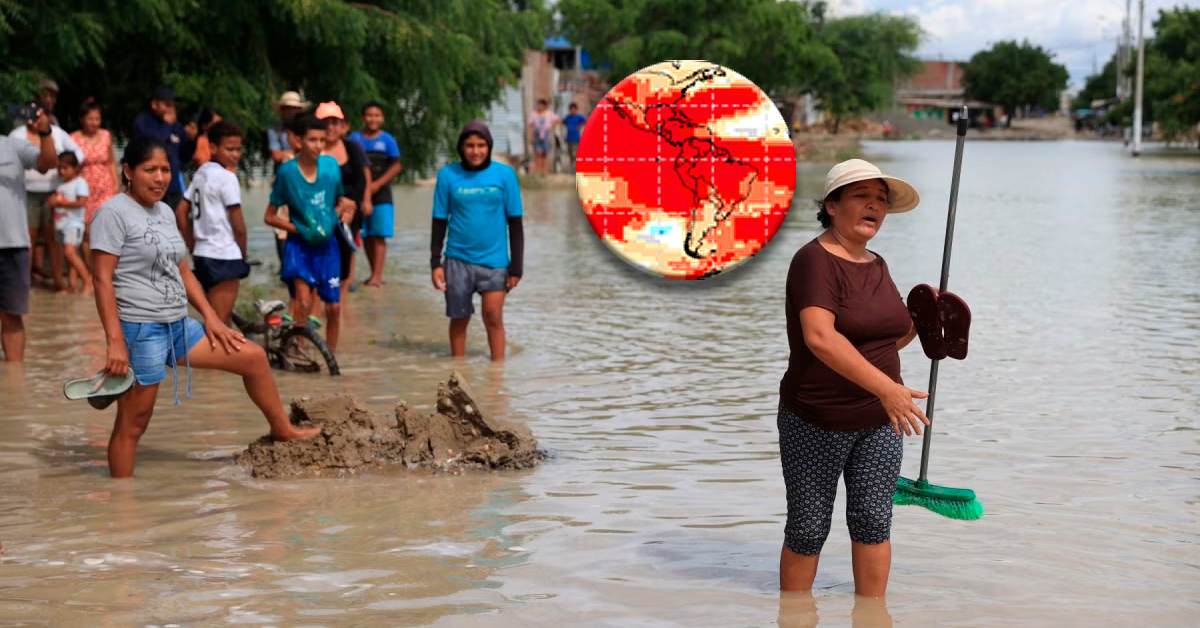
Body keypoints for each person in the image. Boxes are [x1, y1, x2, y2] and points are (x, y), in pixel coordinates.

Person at [89, 136, 321, 478]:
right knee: (133, 423)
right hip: (140, 330)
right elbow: (101, 280)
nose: (159, 178)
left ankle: (282, 429)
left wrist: (212, 319)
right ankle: (122, 505)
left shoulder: (165, 211)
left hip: (178, 325)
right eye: (149, 170)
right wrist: (114, 341)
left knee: (253, 358)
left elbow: (183, 271)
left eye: (165, 170)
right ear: (128, 171)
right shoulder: (113, 213)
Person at [777, 159, 930, 597]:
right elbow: (820, 338)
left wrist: (926, 322)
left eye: (880, 199)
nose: (874, 206)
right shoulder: (813, 261)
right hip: (816, 417)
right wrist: (888, 389)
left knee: (873, 522)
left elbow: (883, 341)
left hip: (881, 419)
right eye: (862, 195)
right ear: (832, 204)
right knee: (808, 528)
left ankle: (872, 617)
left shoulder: (876, 263)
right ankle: (795, 617)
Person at [430, 121, 523, 362]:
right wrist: (435, 264)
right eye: (469, 145)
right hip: (457, 260)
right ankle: (458, 373)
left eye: (481, 145)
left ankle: (497, 377)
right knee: (459, 319)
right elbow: (439, 222)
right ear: (461, 147)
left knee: (493, 317)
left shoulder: (504, 175)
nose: (475, 151)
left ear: (489, 146)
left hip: (495, 261)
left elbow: (515, 224)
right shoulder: (448, 175)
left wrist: (516, 267)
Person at [264, 114, 352, 352]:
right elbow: (269, 216)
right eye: (312, 140)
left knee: (333, 308)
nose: (318, 146)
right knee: (302, 302)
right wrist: (299, 229)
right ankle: (299, 349)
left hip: (328, 247)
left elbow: (340, 200)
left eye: (322, 140)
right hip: (299, 248)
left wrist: (342, 211)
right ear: (297, 140)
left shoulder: (331, 167)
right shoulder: (286, 173)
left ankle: (331, 358)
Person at [175, 121, 249, 325]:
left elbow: (181, 212)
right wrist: (243, 254)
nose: (235, 154)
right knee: (219, 322)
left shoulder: (202, 172)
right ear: (214, 148)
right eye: (230, 149)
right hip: (224, 255)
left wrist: (192, 244)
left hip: (202, 255)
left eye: (238, 149)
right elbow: (239, 225)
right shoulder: (227, 177)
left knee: (215, 319)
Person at [0, 108, 58, 361]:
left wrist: (45, 131)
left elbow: (47, 163)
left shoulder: (12, 145)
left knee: (12, 316)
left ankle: (15, 383)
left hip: (12, 243)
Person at [8, 102, 85, 292]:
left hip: (54, 191)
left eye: (39, 114)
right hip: (25, 192)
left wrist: (64, 165)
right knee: (28, 237)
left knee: (54, 237)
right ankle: (24, 283)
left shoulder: (57, 133)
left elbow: (79, 154)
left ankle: (59, 281)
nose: (35, 118)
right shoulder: (16, 135)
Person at [317, 102, 372, 298]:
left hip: (350, 208)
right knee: (321, 251)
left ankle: (342, 299)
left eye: (335, 122)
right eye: (325, 122)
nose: (330, 127)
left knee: (347, 250)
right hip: (321, 208)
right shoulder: (315, 148)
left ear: (343, 126)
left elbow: (362, 177)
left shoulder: (352, 147)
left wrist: (360, 202)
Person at [348, 101, 402, 288]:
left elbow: (396, 165)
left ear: (383, 118)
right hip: (359, 194)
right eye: (369, 115)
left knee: (379, 234)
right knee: (366, 235)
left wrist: (377, 184)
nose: (373, 119)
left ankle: (377, 276)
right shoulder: (354, 138)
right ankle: (372, 273)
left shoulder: (388, 140)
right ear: (363, 117)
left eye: (377, 115)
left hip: (382, 194)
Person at [71, 99, 120, 265]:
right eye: (90, 118)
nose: (94, 122)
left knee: (105, 227)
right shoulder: (73, 138)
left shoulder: (106, 135)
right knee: (87, 232)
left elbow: (111, 161)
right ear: (82, 119)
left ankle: (107, 266)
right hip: (84, 189)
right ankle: (91, 269)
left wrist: (115, 184)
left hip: (105, 188)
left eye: (97, 119)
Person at [131, 86, 196, 211]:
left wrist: (191, 140)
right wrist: (166, 125)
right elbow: (151, 146)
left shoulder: (176, 127)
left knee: (172, 224)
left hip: (172, 185)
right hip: (149, 185)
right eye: (166, 105)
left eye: (172, 105)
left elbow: (185, 156)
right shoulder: (143, 122)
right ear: (155, 104)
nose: (170, 109)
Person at [46, 151, 92, 294]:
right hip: (61, 224)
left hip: (74, 224)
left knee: (70, 253)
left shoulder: (80, 182)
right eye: (59, 168)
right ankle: (72, 287)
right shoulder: (61, 185)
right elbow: (57, 203)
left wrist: (60, 202)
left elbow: (82, 202)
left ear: (75, 168)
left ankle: (88, 281)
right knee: (70, 257)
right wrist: (53, 203)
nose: (62, 171)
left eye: (65, 168)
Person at [268, 91, 308, 176]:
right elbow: (276, 155)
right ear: (282, 110)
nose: (291, 111)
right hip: (283, 172)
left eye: (294, 108)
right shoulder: (275, 129)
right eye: (288, 108)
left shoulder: (308, 128)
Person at [527, 99, 559, 175]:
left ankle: (544, 171)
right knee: (538, 153)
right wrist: (531, 137)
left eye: (541, 105)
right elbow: (531, 126)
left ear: (545, 106)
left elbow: (557, 120)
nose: (539, 106)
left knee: (545, 153)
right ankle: (538, 171)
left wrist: (551, 126)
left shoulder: (549, 113)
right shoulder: (534, 114)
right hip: (537, 134)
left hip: (546, 134)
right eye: (538, 105)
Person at [563, 102, 587, 169]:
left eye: (574, 109)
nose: (572, 111)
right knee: (570, 154)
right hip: (569, 138)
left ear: (576, 110)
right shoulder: (567, 117)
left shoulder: (579, 117)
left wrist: (580, 125)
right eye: (571, 109)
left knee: (576, 153)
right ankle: (571, 167)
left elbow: (586, 120)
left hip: (576, 138)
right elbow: (563, 122)